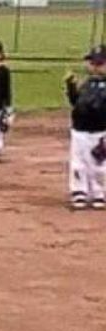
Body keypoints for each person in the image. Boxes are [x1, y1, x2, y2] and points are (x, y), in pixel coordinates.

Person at [65, 45, 106, 210]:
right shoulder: (86, 84)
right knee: (78, 162)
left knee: (100, 163)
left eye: (100, 63)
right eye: (92, 63)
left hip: (100, 131)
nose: (95, 67)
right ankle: (79, 190)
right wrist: (71, 87)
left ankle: (98, 192)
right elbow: (76, 103)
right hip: (79, 130)